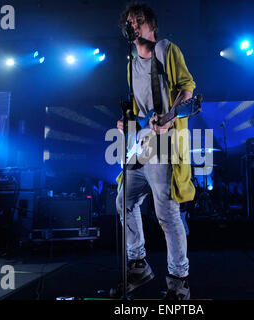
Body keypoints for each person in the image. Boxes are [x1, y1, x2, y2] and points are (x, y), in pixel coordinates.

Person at [112, 2, 196, 300]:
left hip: (166, 141)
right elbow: (137, 110)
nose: (133, 25)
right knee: (124, 201)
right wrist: (127, 122)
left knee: (167, 214)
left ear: (152, 25)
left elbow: (188, 90)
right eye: (130, 22)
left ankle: (178, 282)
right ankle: (138, 265)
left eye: (139, 20)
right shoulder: (130, 65)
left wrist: (170, 116)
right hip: (143, 144)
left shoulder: (166, 50)